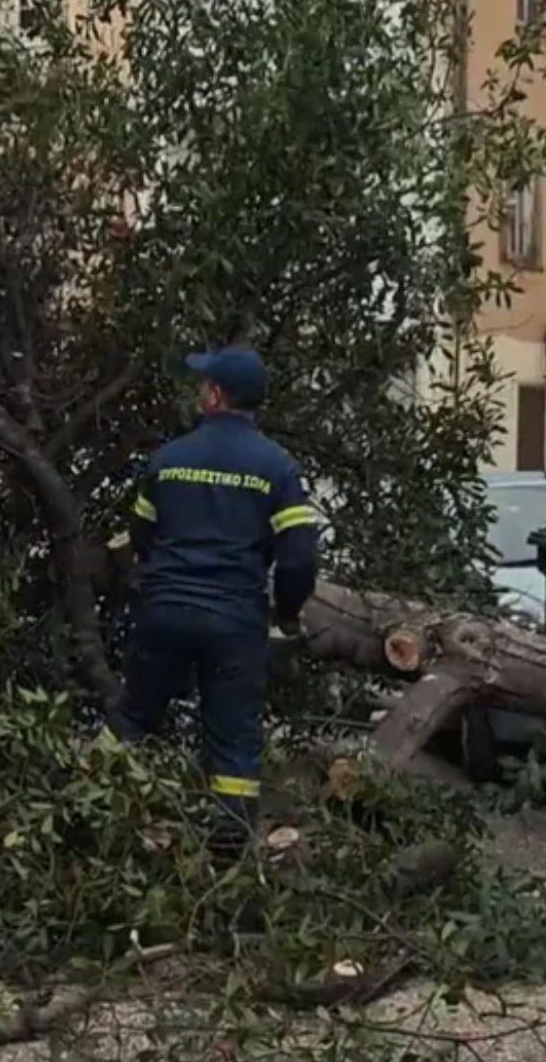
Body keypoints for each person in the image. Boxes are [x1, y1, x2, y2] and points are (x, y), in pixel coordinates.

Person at [110, 346, 319, 858]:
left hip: (164, 612)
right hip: (234, 622)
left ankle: (94, 813)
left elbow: (141, 536)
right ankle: (226, 856)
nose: (199, 392)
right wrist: (287, 614)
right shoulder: (276, 467)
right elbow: (298, 558)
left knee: (133, 718)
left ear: (217, 396)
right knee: (233, 743)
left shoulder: (169, 459)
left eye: (204, 385)